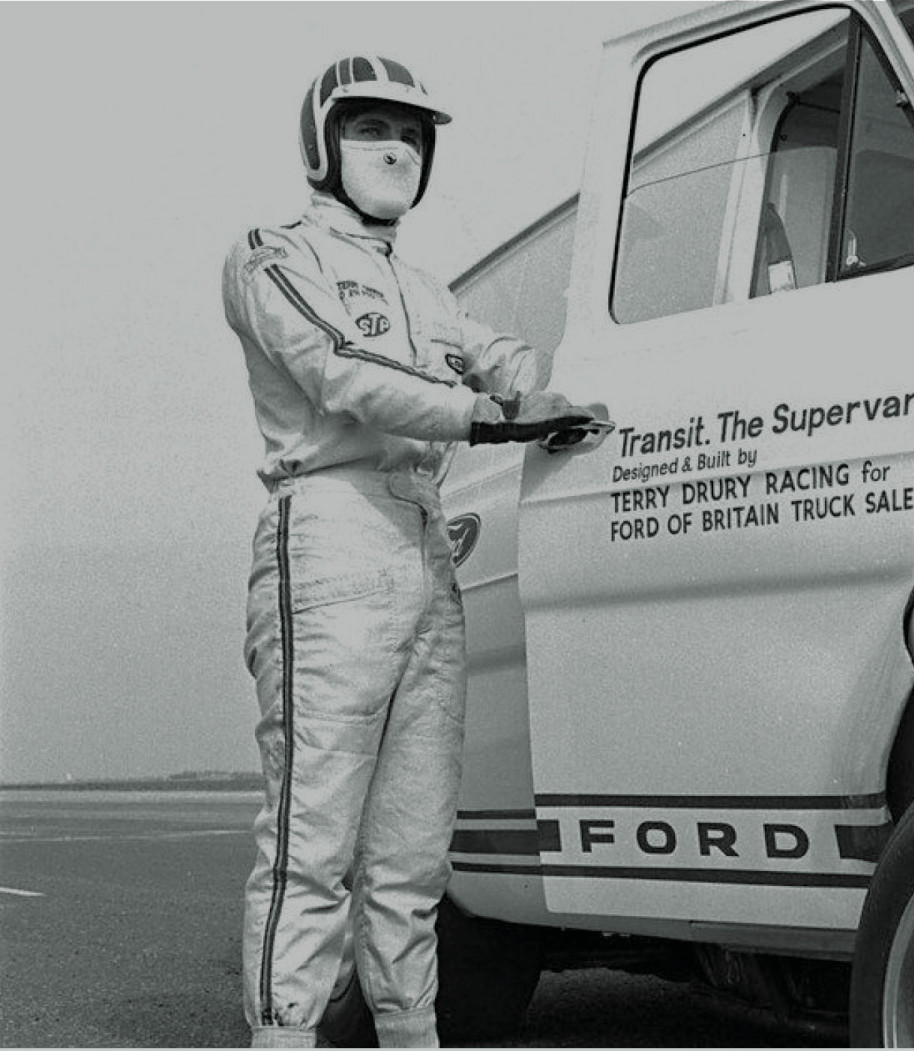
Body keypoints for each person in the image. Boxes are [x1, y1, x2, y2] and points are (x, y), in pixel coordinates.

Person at [221, 55, 597, 1048]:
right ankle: (284, 1035)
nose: (393, 149)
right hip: (330, 526)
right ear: (320, 141)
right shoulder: (275, 253)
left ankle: (410, 1033)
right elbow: (340, 373)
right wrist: (487, 414)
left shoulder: (423, 285)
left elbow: (498, 351)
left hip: (426, 539)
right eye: (369, 127)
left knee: (410, 856)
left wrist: (535, 386)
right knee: (311, 841)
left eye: (412, 133)